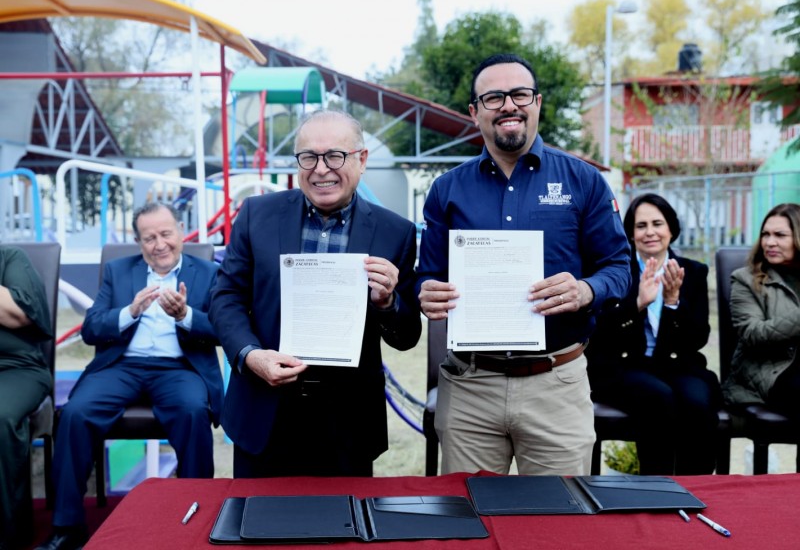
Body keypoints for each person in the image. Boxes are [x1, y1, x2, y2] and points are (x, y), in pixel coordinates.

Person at [416, 53, 630, 476]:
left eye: (520, 94)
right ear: (475, 112)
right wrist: (425, 293)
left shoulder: (583, 181)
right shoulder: (446, 190)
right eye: (494, 97)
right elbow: (427, 276)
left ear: (538, 103)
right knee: (470, 523)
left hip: (557, 383)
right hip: (471, 386)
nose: (509, 105)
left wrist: (586, 290)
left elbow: (619, 268)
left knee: (559, 528)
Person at [210, 109, 421, 478]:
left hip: (348, 423)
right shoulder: (256, 215)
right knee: (256, 526)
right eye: (309, 156)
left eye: (335, 155)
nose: (321, 169)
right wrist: (250, 355)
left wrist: (389, 303)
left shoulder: (395, 233)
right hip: (265, 410)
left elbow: (406, 336)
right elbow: (225, 297)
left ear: (362, 159)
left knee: (342, 532)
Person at [37, 202, 222, 550]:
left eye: (166, 234)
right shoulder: (118, 271)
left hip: (179, 368)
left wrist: (185, 316)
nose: (159, 244)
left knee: (192, 412)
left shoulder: (208, 273)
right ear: (139, 243)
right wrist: (130, 311)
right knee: (75, 414)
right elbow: (91, 329)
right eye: (149, 238)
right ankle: (68, 527)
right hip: (122, 367)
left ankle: (196, 519)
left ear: (181, 231)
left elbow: (222, 329)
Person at [587, 193, 721, 475]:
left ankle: (696, 489)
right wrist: (637, 304)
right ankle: (657, 487)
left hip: (678, 366)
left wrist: (673, 302)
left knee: (697, 401)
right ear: (630, 234)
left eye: (657, 223)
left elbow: (698, 338)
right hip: (624, 367)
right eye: (641, 225)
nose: (650, 232)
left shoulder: (693, 272)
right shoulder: (616, 272)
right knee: (658, 396)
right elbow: (599, 334)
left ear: (671, 229)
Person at [723, 203, 800, 418]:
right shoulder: (745, 279)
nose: (770, 242)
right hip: (767, 373)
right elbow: (752, 332)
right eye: (765, 234)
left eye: (780, 235)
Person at [0, 246, 53, 549]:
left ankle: (9, 536)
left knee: (2, 416)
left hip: (16, 368)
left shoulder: (11, 258)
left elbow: (19, 313)